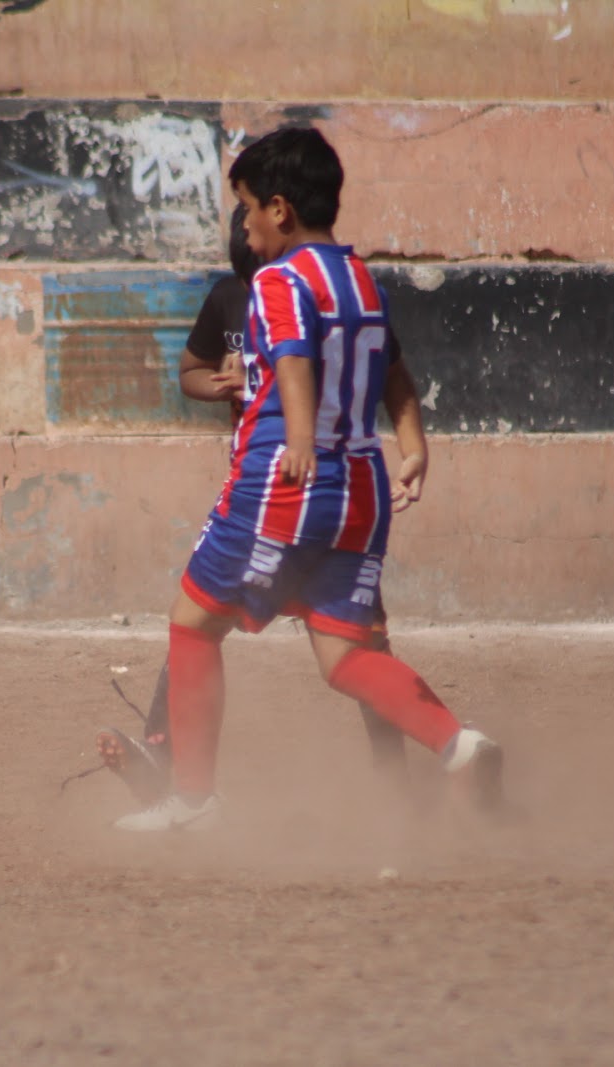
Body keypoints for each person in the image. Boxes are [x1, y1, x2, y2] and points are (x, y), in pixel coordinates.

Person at [114, 126, 502, 832]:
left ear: (280, 209)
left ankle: (193, 802)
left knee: (193, 624)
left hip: (286, 483)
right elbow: (393, 370)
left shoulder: (279, 280)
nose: (244, 227)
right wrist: (414, 444)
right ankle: (460, 746)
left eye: (246, 209)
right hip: (362, 488)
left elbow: (292, 358)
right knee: (344, 654)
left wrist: (297, 439)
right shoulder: (359, 279)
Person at [94, 206, 413, 805]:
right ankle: (162, 754)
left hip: (326, 496)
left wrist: (410, 446)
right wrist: (218, 382)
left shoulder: (326, 297)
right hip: (260, 495)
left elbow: (383, 374)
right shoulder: (230, 298)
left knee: (362, 637)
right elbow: (191, 370)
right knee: (196, 621)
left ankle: (396, 773)